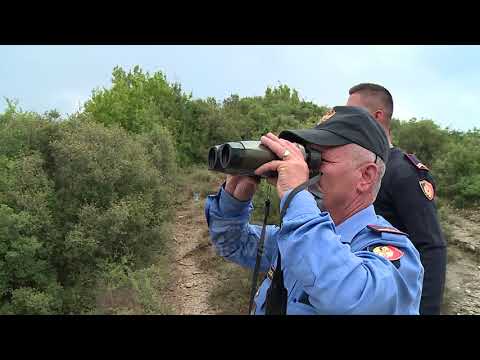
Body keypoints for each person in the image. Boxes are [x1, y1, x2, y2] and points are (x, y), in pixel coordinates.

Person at [204, 106, 424, 315]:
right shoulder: (299, 235)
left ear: (366, 176)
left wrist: (296, 194)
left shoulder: (395, 255)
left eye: (319, 159)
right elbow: (233, 244)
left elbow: (349, 298)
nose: (307, 168)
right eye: (309, 156)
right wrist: (234, 201)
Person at [346, 83, 447, 315]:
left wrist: (424, 310)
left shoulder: (403, 171)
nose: (347, 119)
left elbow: (431, 246)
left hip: (394, 295)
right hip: (358, 292)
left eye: (352, 112)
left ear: (377, 116)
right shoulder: (356, 167)